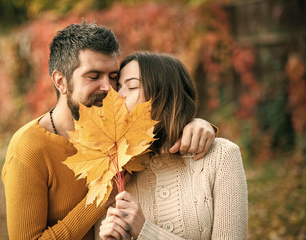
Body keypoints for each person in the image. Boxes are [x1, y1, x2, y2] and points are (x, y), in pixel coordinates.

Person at [2, 22, 217, 240]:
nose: (108, 87)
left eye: (113, 76)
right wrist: (101, 199)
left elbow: (162, 122)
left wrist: (198, 124)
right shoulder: (29, 147)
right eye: (93, 76)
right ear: (61, 82)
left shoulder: (119, 129)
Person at [97, 52, 248, 240]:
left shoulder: (222, 156)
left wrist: (146, 232)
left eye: (132, 86)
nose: (118, 96)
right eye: (119, 87)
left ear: (165, 94)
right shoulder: (115, 167)